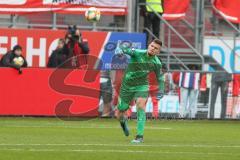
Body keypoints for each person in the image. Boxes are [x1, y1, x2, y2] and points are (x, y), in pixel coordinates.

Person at [115, 39, 164, 143]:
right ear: (149, 46)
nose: (153, 49)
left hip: (142, 85)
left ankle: (139, 136)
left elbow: (160, 77)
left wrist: (161, 90)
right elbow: (124, 49)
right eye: (152, 46)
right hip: (127, 86)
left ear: (158, 52)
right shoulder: (137, 53)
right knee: (120, 111)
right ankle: (123, 123)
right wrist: (119, 50)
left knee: (141, 106)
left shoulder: (157, 63)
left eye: (156, 48)